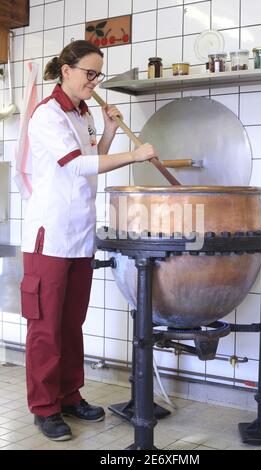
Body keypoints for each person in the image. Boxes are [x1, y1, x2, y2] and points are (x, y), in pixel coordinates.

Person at [20, 40, 158, 441]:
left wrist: (111, 131)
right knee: (45, 327)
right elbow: (75, 165)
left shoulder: (83, 115)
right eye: (89, 73)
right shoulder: (47, 116)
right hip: (49, 238)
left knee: (71, 323)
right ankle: (44, 408)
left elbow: (93, 159)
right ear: (66, 70)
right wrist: (134, 157)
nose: (94, 81)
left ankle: (68, 395)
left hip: (80, 235)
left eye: (98, 75)